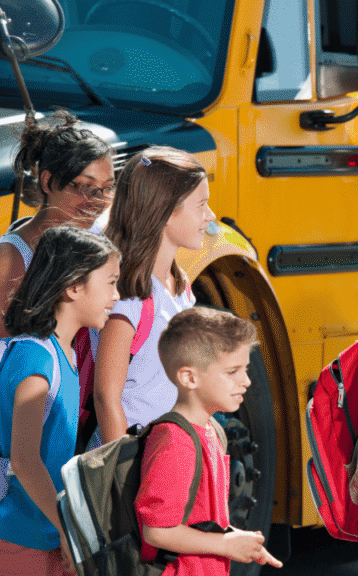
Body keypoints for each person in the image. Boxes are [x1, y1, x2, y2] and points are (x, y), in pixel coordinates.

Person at [0, 226, 120, 576]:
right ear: (73, 287)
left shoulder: (63, 351)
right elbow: (24, 461)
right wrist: (67, 529)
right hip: (18, 539)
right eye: (110, 282)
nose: (116, 295)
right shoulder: (35, 358)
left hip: (43, 533)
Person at [136, 307, 281, 574]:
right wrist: (224, 544)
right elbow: (157, 531)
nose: (247, 381)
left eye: (246, 369)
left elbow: (199, 520)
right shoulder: (175, 442)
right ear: (189, 378)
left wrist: (237, 540)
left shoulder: (211, 431)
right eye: (232, 371)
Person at [93, 146, 215, 445]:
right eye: (200, 205)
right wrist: (117, 480)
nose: (210, 216)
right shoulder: (128, 298)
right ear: (165, 213)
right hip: (134, 464)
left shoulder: (181, 287)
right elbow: (106, 398)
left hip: (168, 456)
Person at [0, 111, 114, 337]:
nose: (98, 201)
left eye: (108, 187)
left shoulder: (96, 236)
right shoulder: (10, 259)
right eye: (84, 186)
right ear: (47, 181)